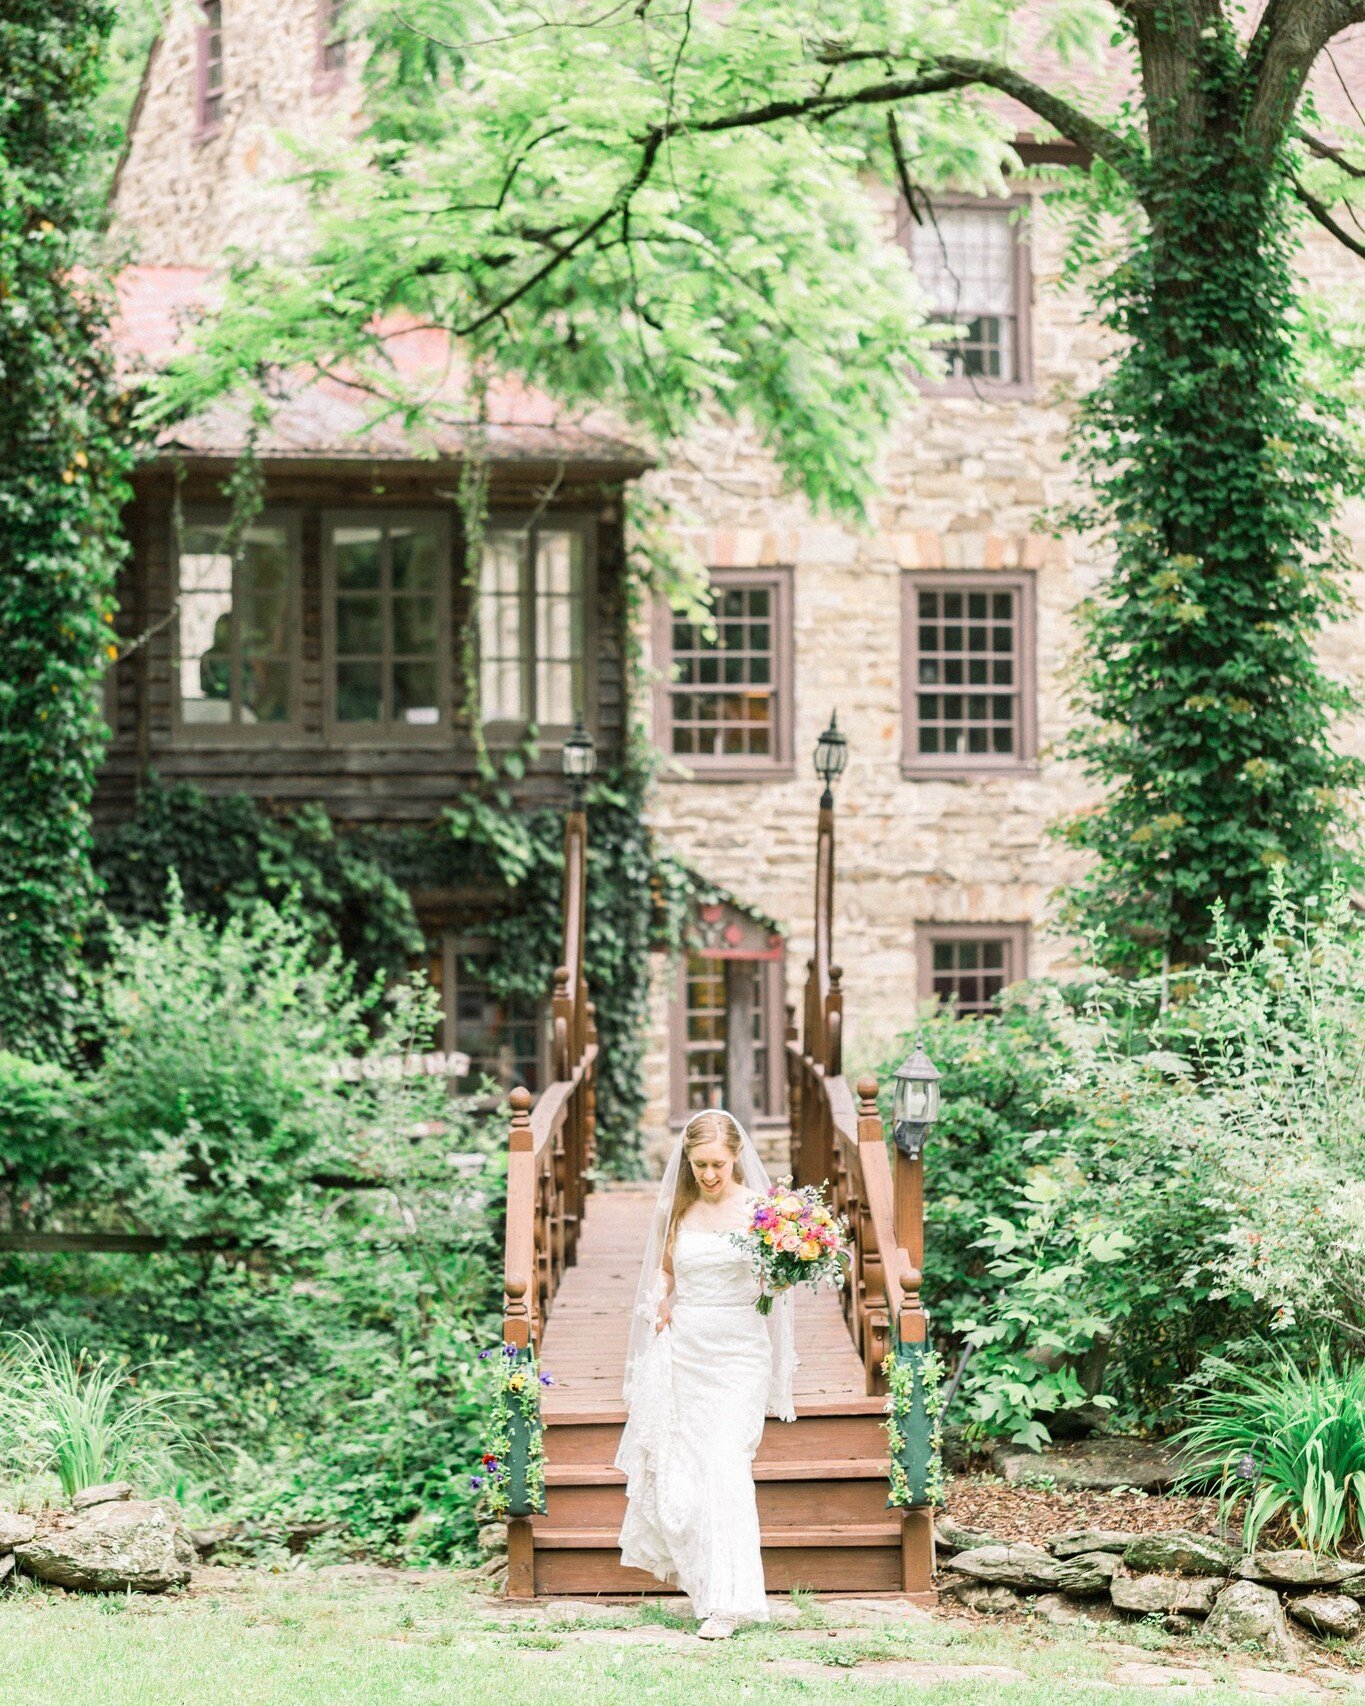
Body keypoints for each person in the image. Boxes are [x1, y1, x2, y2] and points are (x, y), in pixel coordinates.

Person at [615, 1108, 796, 1639]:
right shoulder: (679, 1210)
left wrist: (784, 1275)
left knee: (725, 1465)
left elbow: (773, 1283)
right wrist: (659, 1303)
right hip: (686, 1351)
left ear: (736, 1156)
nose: (709, 1175)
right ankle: (706, 1586)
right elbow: (666, 1275)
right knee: (688, 1474)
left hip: (740, 1351)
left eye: (717, 1164)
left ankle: (732, 1601)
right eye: (699, 1166)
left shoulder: (765, 1212)